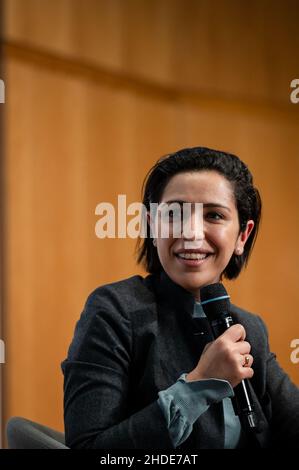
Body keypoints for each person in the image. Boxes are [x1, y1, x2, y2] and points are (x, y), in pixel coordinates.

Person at [61, 146, 299, 449]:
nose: (192, 232)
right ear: (151, 225)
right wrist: (198, 386)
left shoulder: (249, 328)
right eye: (174, 213)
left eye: (214, 215)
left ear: (242, 235)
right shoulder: (114, 311)